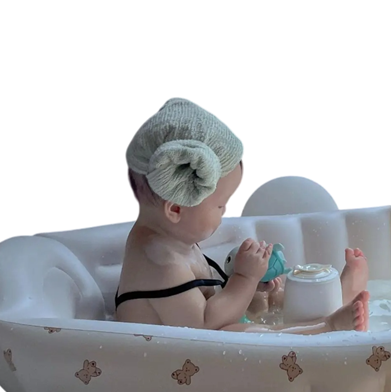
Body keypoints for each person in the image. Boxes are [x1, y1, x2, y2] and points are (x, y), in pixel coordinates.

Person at [114, 97, 370, 333]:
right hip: (186, 354)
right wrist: (245, 278)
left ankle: (333, 298)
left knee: (268, 297)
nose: (224, 213)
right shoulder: (161, 262)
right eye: (220, 206)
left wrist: (250, 285)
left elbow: (206, 298)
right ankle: (327, 325)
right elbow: (204, 327)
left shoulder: (171, 238)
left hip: (210, 322)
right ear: (176, 209)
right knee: (249, 334)